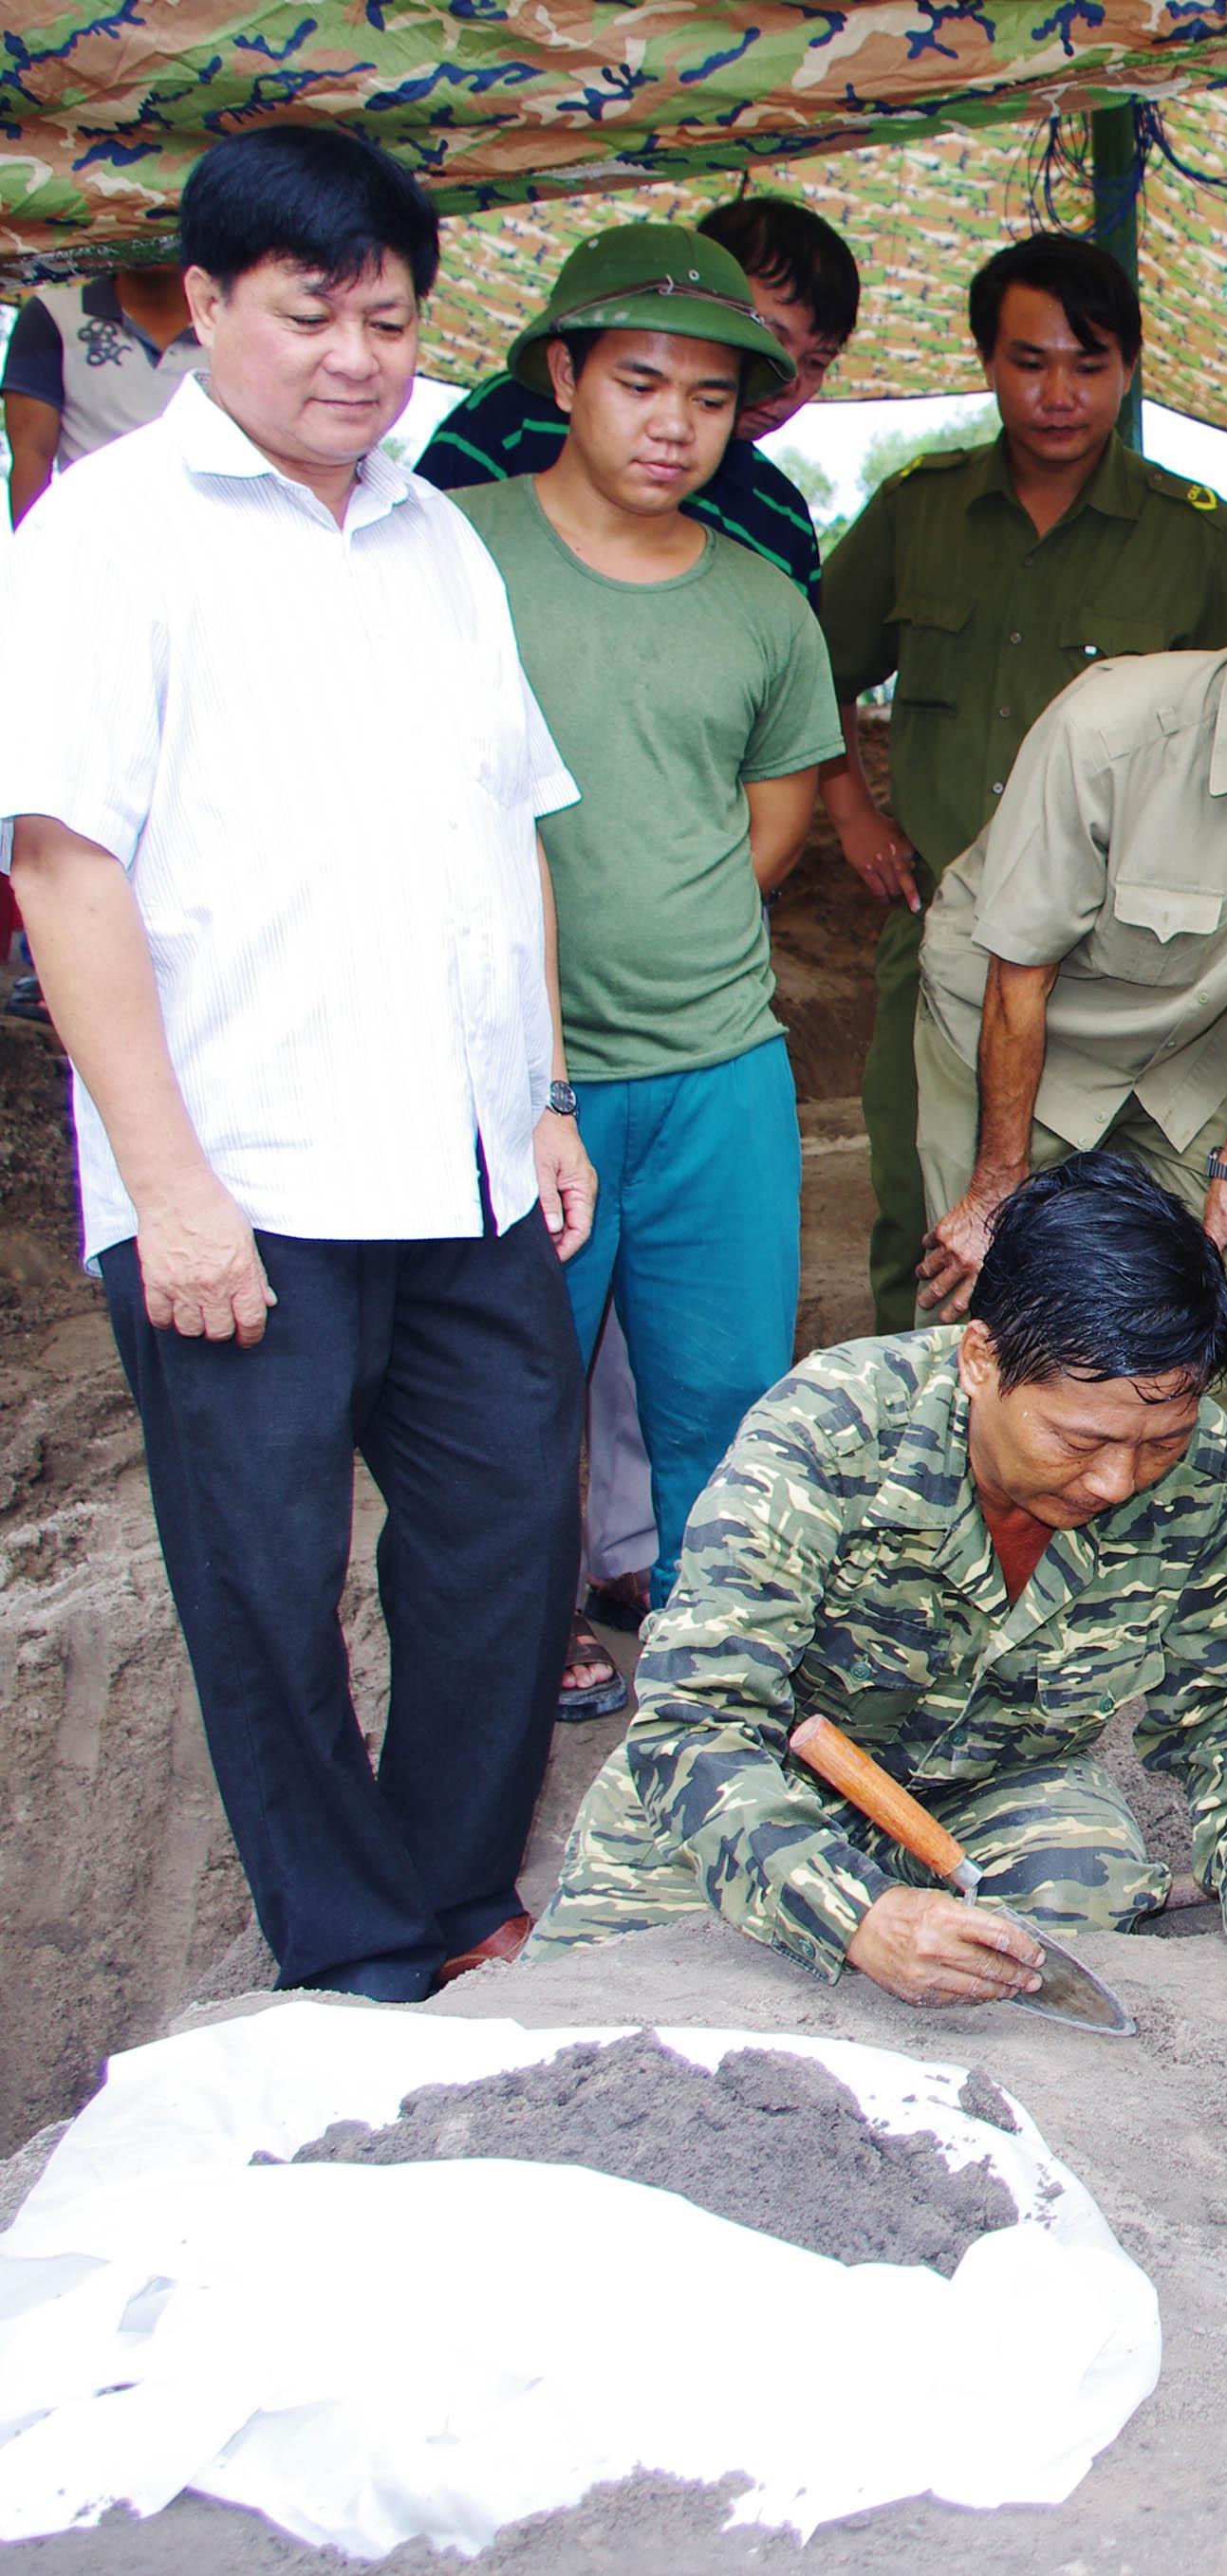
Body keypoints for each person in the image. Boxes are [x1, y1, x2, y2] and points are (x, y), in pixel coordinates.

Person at [0, 127, 589, 1999]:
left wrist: (550, 1093)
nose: (356, 353)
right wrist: (166, 1186)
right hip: (236, 1178)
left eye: (391, 316)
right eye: (310, 310)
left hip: (469, 1162)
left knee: (509, 1538)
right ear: (202, 306)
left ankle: (449, 1887)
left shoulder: (436, 536)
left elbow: (512, 831)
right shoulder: (108, 533)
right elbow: (64, 864)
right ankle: (350, 1950)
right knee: (266, 1590)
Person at [535, 1151, 1227, 2011]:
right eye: (1081, 1441)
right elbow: (694, 1725)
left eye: (1156, 1441)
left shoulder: (1199, 1465)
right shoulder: (826, 1434)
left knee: (1083, 1885)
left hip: (984, 1800)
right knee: (608, 2010)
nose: (1116, 1483)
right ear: (981, 1359)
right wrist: (857, 1914)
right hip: (759, 1803)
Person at [421, 193, 862, 1670]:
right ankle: (519, 1642)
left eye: (714, 396)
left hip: (718, 1060)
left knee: (724, 1390)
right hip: (507, 1075)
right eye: (640, 381)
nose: (676, 424)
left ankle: (710, 1656)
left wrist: (667, 923)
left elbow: (774, 817)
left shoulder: (761, 601)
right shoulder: (446, 552)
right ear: (560, 376)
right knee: (504, 1393)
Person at [816, 232, 1227, 1334]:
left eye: (1089, 363)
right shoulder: (918, 514)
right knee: (927, 1214)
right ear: (984, 361)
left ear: (1130, 366)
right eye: (1028, 362)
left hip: (1133, 959)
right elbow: (809, 671)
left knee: (1141, 1221)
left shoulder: (1198, 540)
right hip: (949, 938)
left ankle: (1123, 1459)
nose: (1058, 394)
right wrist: (854, 812)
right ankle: (923, 1452)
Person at [908, 528, 1227, 1446]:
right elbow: (1016, 978)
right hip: (1020, 1017)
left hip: (1191, 1030)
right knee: (989, 1283)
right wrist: (995, 1186)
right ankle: (969, 1536)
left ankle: (1192, 1552)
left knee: (1219, 1275)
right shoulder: (1107, 733)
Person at [418, 195, 856, 595]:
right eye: (769, 336)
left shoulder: (783, 521)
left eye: (817, 362)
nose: (788, 378)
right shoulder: (512, 420)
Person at [4, 262, 200, 523]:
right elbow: (32, 453)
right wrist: (33, 558)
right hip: (96, 533)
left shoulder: (232, 319)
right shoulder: (53, 315)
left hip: (211, 530)